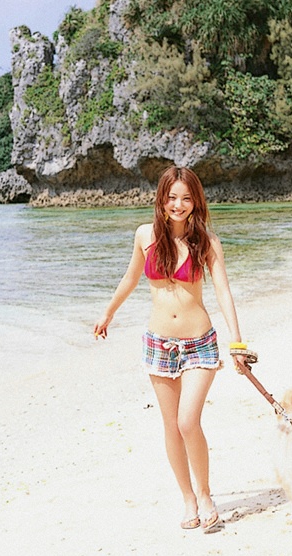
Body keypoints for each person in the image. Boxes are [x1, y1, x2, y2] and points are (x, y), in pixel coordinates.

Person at [94, 166, 248, 532]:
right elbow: (131, 277)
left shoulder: (207, 241)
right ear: (161, 199)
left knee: (187, 421)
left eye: (186, 198)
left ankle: (206, 495)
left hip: (199, 342)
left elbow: (223, 291)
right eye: (172, 197)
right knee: (171, 426)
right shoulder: (145, 236)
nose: (178, 205)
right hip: (159, 343)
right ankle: (188, 499)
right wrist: (108, 312)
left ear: (196, 202)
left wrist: (237, 343)